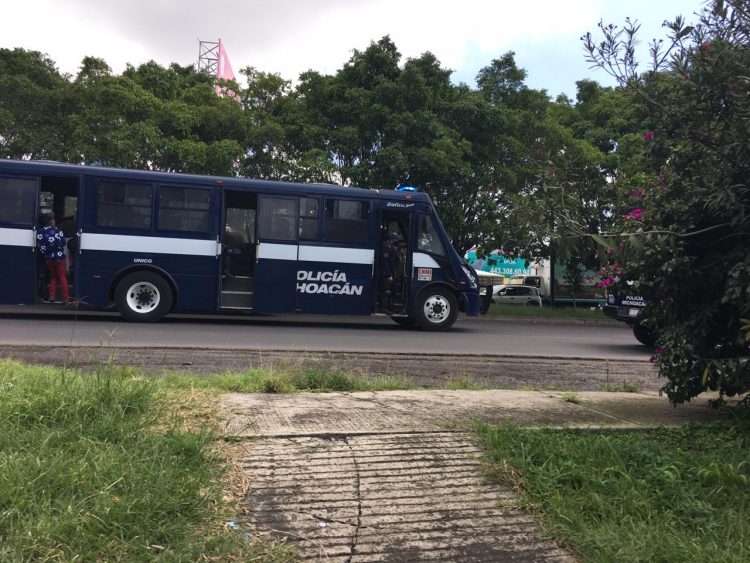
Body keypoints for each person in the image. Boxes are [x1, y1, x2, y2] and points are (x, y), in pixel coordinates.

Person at [37, 215, 70, 303]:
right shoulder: (58, 231)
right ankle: (66, 297)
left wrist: (47, 254)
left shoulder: (40, 232)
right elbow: (63, 243)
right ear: (53, 221)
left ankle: (52, 295)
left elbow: (41, 246)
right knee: (62, 277)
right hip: (59, 258)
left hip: (49, 259)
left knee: (53, 277)